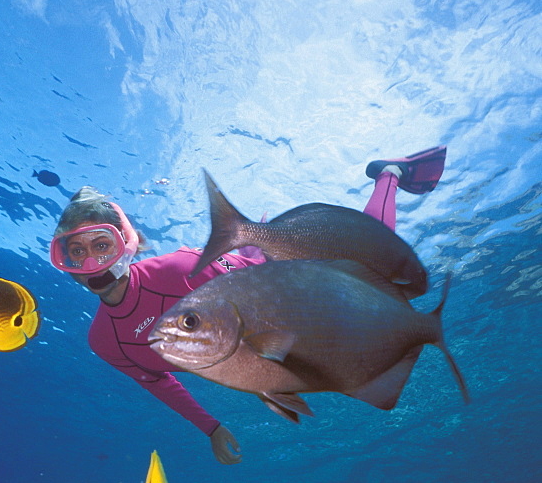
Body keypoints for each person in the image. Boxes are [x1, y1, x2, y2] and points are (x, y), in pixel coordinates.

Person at [51, 146, 446, 464]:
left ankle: (389, 175)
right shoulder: (104, 340)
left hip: (286, 286)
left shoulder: (179, 269)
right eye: (75, 253)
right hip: (255, 346)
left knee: (373, 266)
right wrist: (212, 426)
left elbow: (263, 298)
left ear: (128, 242)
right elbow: (158, 381)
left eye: (102, 245)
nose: (92, 264)